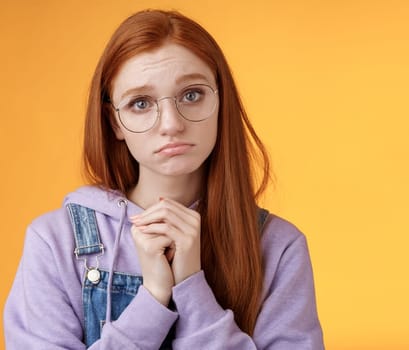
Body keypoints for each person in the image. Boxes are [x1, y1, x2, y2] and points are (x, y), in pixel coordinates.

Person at [4, 9, 324, 349]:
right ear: (114, 123)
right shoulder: (55, 242)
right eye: (141, 103)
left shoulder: (278, 247)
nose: (171, 123)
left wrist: (191, 286)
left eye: (192, 95)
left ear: (221, 100)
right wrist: (152, 300)